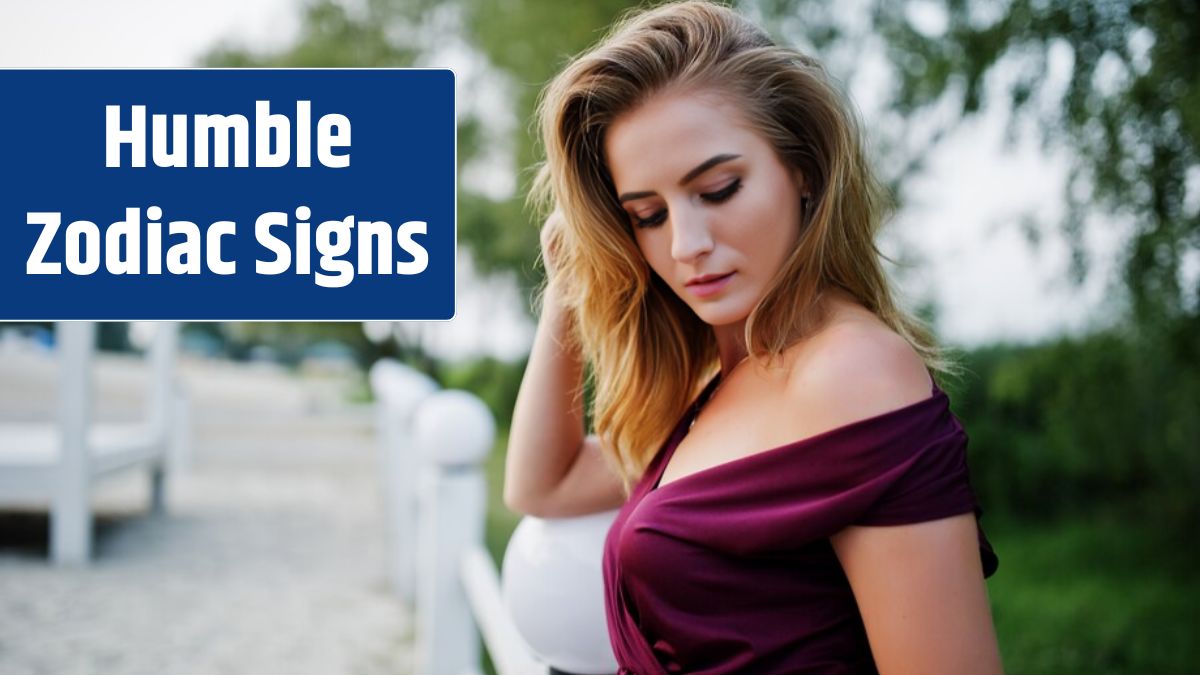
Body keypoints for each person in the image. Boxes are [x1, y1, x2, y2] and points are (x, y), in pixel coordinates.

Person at [504, 1, 1003, 673]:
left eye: (718, 188)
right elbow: (544, 484)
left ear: (802, 168)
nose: (686, 245)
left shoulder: (852, 374)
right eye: (647, 215)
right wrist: (571, 283)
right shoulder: (715, 380)